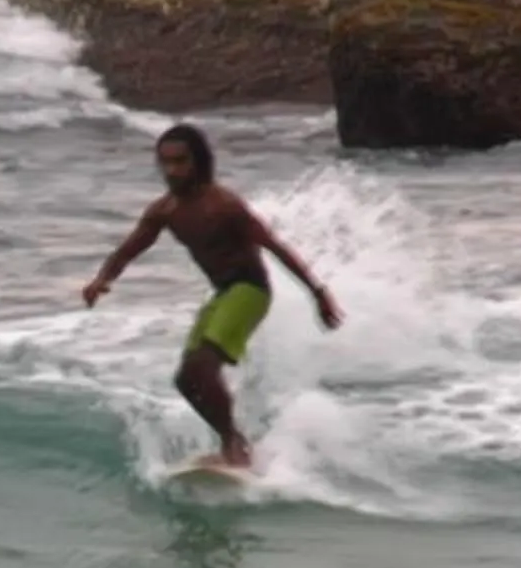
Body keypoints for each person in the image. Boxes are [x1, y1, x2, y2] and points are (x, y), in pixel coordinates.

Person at [81, 123, 341, 468]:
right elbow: (131, 248)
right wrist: (102, 278)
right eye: (165, 162)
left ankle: (234, 445)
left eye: (180, 161)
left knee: (202, 367)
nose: (172, 170)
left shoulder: (224, 205)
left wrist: (317, 293)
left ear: (199, 161)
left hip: (250, 290)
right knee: (187, 380)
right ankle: (231, 440)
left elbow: (275, 247)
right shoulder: (164, 210)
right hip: (222, 294)